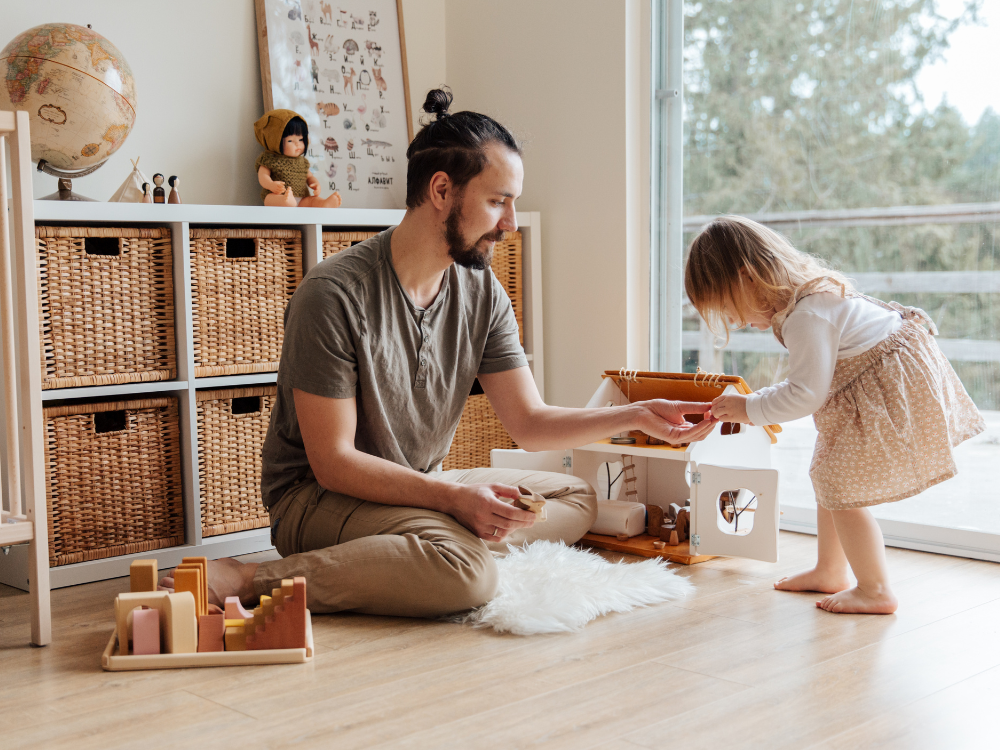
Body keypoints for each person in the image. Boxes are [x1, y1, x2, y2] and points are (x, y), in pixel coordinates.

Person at [162, 88, 718, 616]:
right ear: (441, 191)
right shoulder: (332, 294)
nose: (509, 224)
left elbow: (529, 423)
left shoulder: (482, 291)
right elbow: (333, 463)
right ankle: (252, 578)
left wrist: (637, 414)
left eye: (513, 204)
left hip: (419, 485)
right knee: (469, 575)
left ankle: (426, 545)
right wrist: (451, 502)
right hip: (318, 499)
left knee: (573, 499)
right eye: (498, 202)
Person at [686, 215, 985, 614]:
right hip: (874, 386)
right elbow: (811, 384)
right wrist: (754, 402)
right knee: (829, 475)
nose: (735, 321)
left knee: (841, 487)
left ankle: (875, 590)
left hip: (888, 393)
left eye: (729, 307)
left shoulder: (807, 315)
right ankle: (830, 570)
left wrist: (749, 408)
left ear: (748, 277)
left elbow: (805, 394)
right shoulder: (808, 300)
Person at [254, 108, 342, 208]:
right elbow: (263, 176)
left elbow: (309, 176)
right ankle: (285, 201)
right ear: (273, 141)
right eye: (290, 141)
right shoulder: (269, 159)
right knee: (269, 199)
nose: (297, 144)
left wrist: (315, 183)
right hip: (278, 195)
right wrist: (271, 185)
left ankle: (324, 204)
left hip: (302, 199)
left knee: (312, 200)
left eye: (300, 139)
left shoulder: (302, 162)